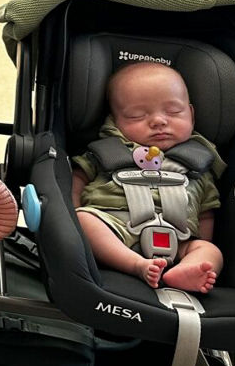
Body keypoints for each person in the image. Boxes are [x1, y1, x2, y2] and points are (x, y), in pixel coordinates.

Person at [71, 61, 225, 293]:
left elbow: (206, 212)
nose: (159, 121)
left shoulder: (199, 164)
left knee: (211, 251)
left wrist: (198, 241)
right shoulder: (106, 152)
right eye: (136, 115)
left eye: (173, 111)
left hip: (178, 236)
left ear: (191, 115)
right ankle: (137, 265)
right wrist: (71, 212)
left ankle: (188, 270)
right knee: (84, 220)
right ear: (114, 120)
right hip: (115, 226)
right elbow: (77, 180)